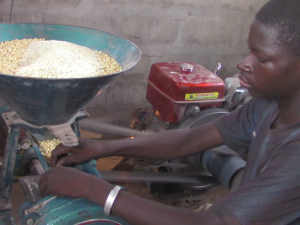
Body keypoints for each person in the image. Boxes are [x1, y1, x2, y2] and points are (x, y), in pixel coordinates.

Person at [38, 0, 300, 224]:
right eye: (248, 51)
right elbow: (190, 139)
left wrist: (89, 187)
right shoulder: (267, 105)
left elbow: (215, 222)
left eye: (261, 58)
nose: (243, 63)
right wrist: (104, 148)